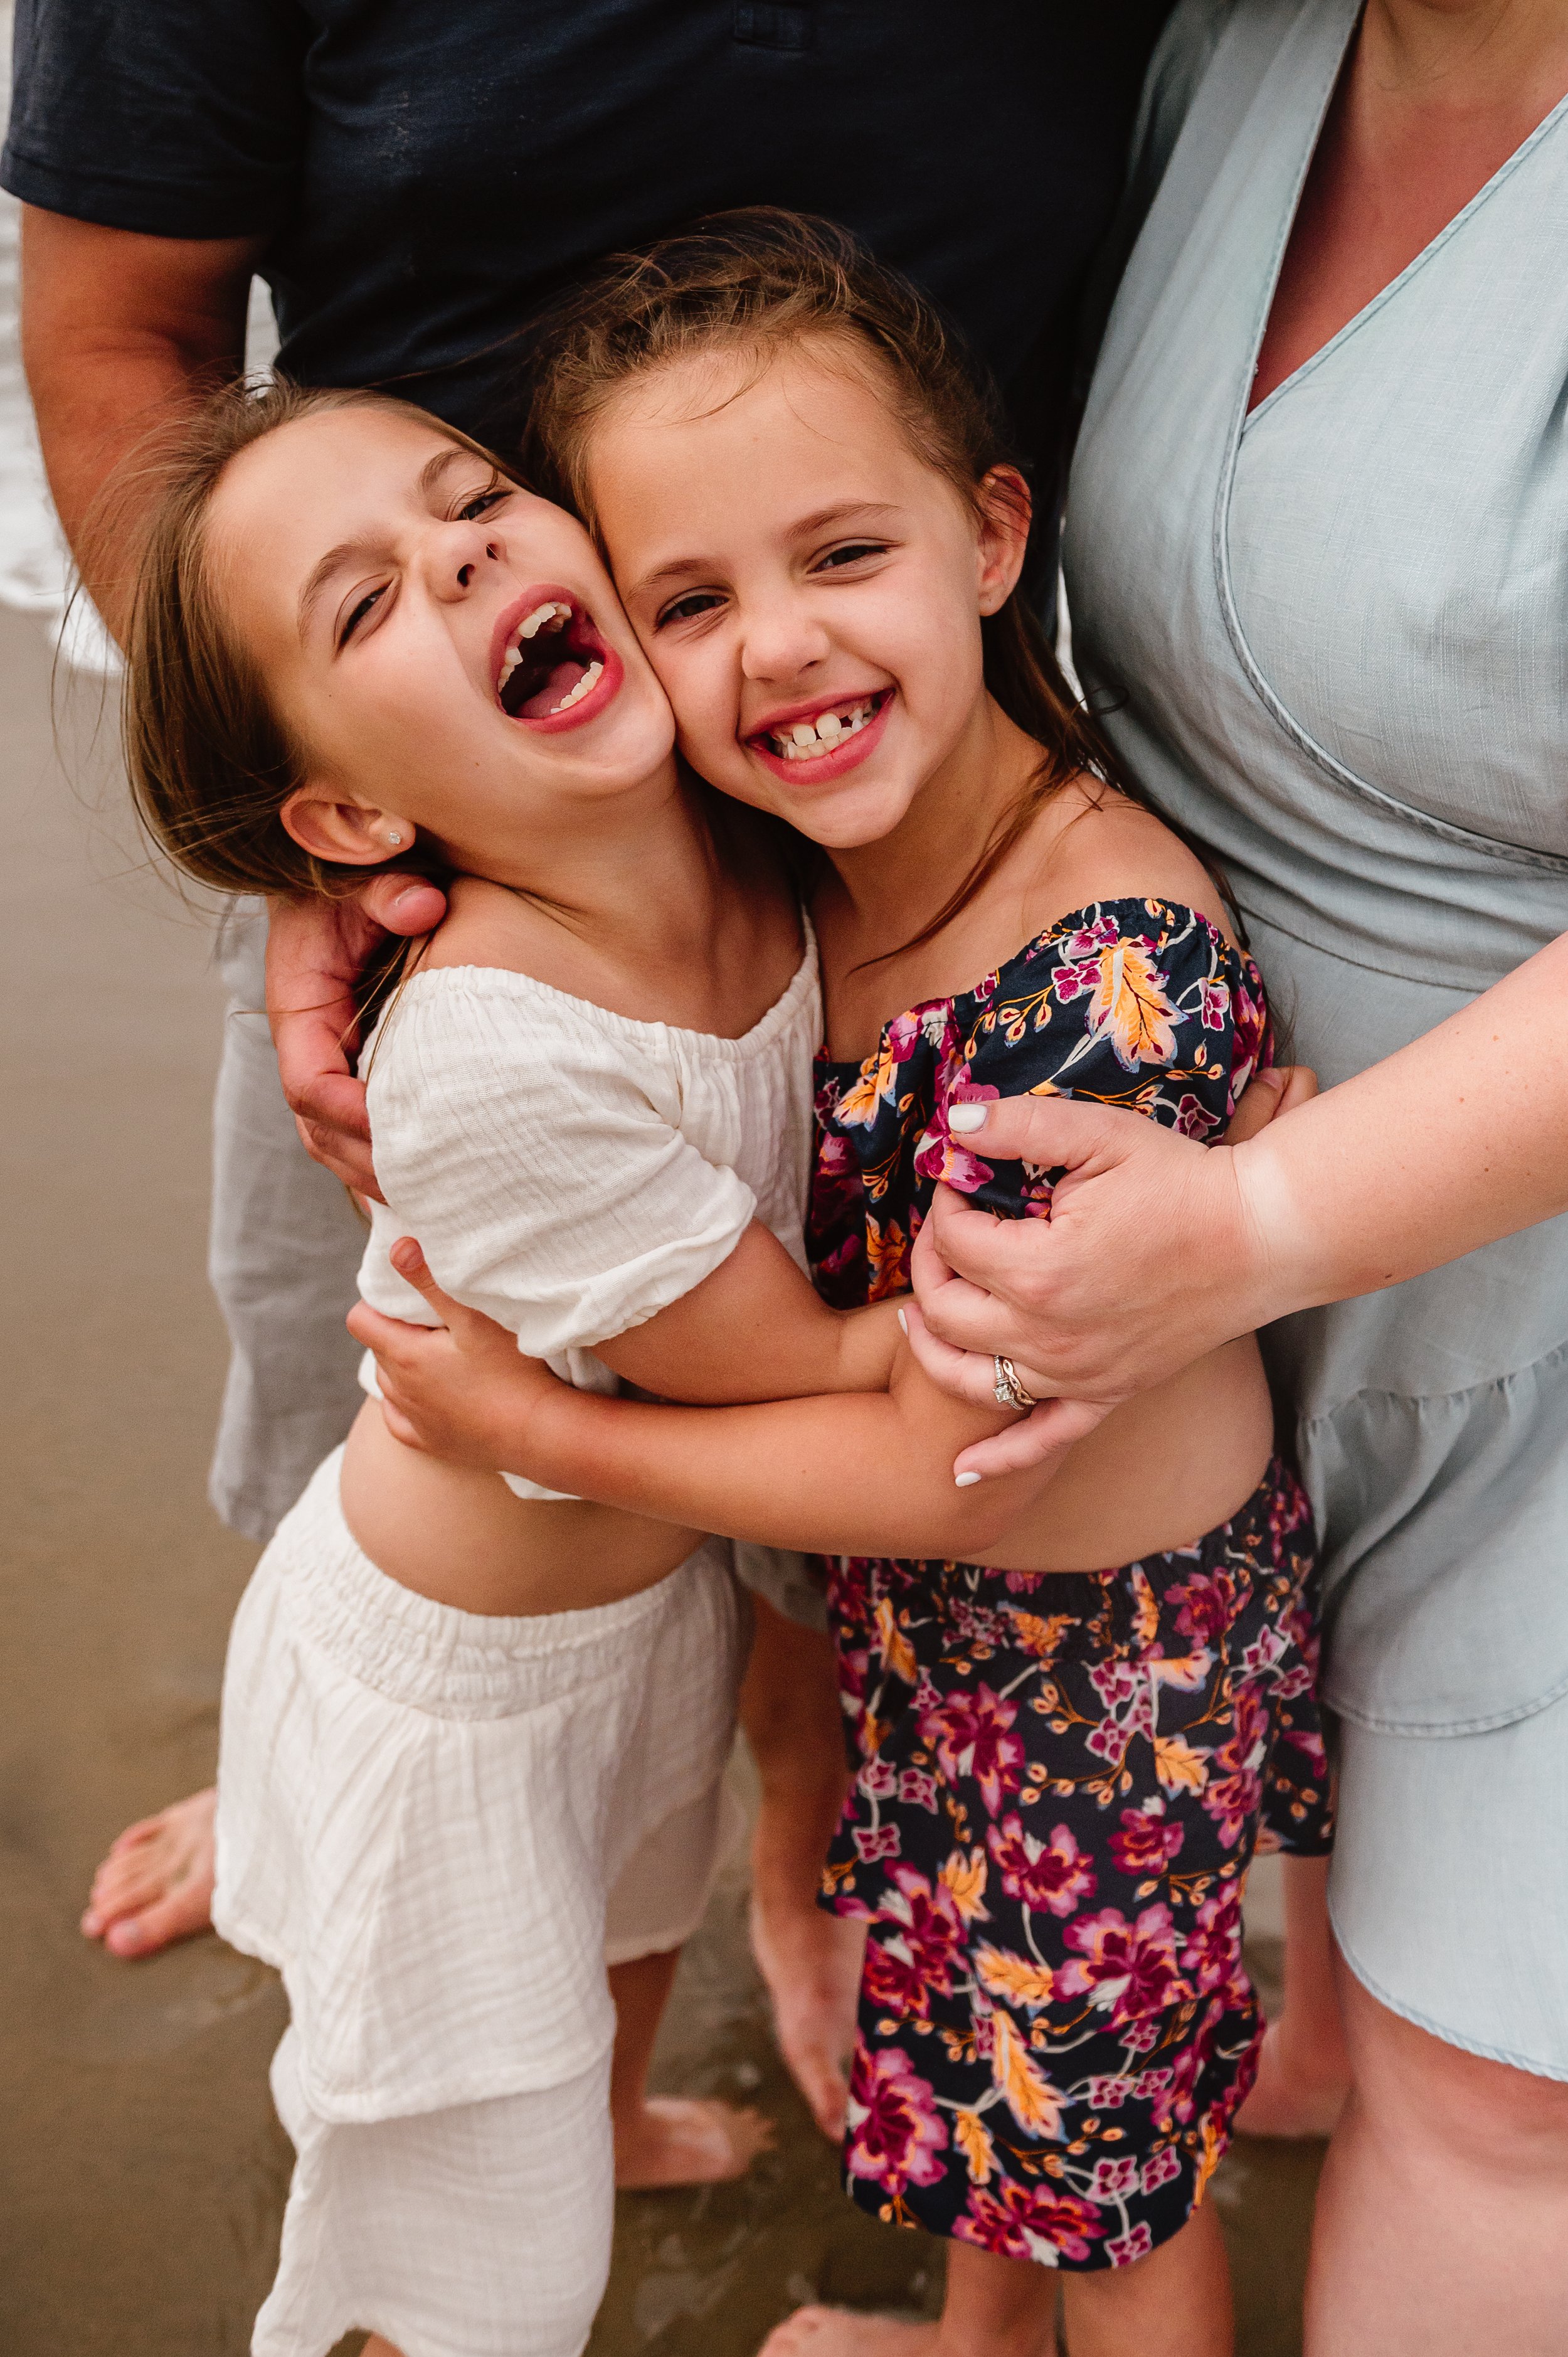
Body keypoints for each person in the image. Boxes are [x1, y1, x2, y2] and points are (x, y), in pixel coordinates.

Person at [4, 1, 1176, 2131]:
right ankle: (324, 1781)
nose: (471, 530)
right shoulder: (460, 979)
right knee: (420, 1429)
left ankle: (807, 1807)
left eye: (477, 504)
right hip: (461, 842)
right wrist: (312, 847)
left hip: (900, 772)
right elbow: (113, 325)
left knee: (816, 1471)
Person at [347, 212, 1334, 2357]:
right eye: (688, 601)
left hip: (1093, 1675)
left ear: (992, 539)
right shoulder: (816, 878)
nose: (775, 646)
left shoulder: (1097, 983)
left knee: (1116, 2203)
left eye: (839, 558)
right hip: (978, 1662)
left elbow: (937, 1470)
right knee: (1007, 2093)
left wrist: (537, 1428)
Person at [117, 373, 1036, 2352]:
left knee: (630, 1917)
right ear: (353, 818)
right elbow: (778, 1363)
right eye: (364, 607)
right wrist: (1080, 1273)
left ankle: (607, 2115)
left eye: (472, 501)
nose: (458, 551)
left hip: (637, 1619)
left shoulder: (746, 833)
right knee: (467, 2192)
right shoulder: (493, 1062)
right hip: (457, 1696)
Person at [883, 3, 1568, 2349]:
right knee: (1307, 1978)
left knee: (1500, 2093)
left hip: (1515, 1307)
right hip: (1223, 1335)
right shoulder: (1223, 48)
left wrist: (1254, 1230)